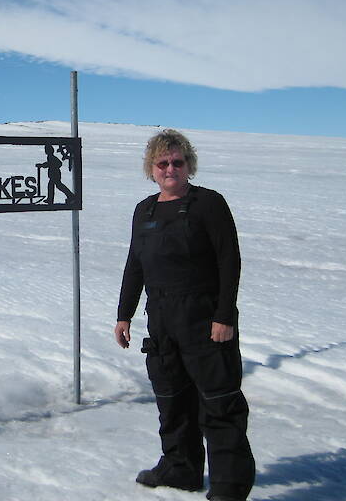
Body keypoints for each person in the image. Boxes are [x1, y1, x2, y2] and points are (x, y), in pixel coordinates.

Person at [114, 129, 255, 501]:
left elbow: (229, 260)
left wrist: (225, 315)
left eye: (177, 162)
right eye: (162, 163)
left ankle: (229, 486)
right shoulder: (144, 209)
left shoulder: (209, 204)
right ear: (152, 168)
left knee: (219, 402)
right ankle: (181, 467)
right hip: (161, 317)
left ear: (189, 165)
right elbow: (135, 264)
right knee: (172, 399)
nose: (170, 168)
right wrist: (124, 314)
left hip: (205, 316)